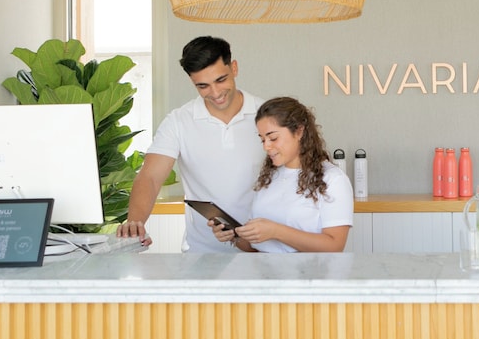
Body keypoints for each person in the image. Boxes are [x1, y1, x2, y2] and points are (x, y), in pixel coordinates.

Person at [117, 36, 265, 252]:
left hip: (264, 251)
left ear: (234, 68)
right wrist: (134, 222)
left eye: (221, 80)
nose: (215, 93)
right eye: (203, 86)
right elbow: (150, 177)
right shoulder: (178, 121)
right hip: (202, 253)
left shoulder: (267, 115)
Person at [210, 97, 353, 252]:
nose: (266, 146)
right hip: (263, 267)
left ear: (299, 131)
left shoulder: (333, 179)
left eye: (273, 138)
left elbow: (334, 246)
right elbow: (254, 247)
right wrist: (233, 235)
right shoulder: (268, 177)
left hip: (308, 268)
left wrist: (276, 231)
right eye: (262, 140)